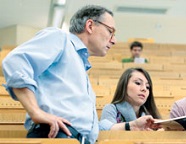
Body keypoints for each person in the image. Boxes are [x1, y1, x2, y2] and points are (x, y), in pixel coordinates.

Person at [2, 5, 117, 144]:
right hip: (56, 136)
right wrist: (36, 112)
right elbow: (15, 62)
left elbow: (84, 125)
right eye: (110, 31)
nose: (113, 40)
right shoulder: (60, 38)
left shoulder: (80, 66)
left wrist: (130, 126)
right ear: (90, 25)